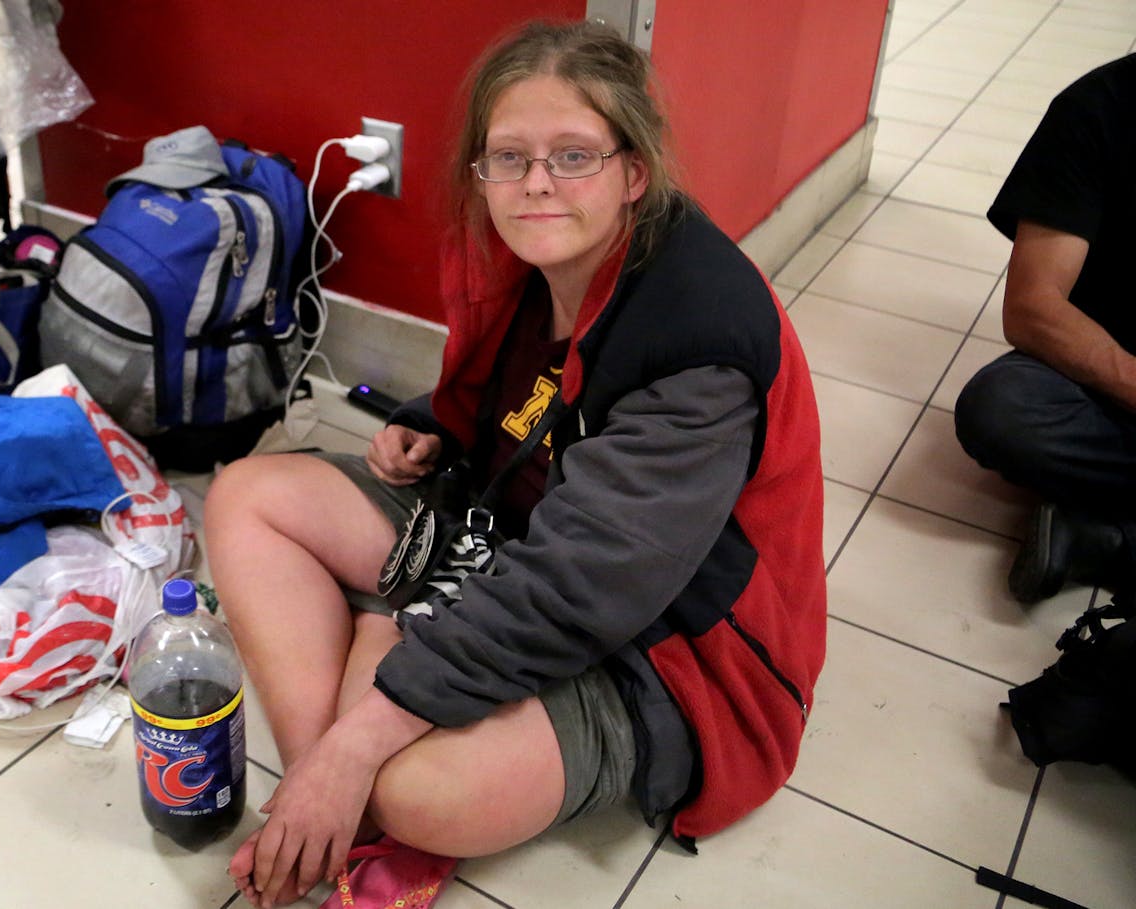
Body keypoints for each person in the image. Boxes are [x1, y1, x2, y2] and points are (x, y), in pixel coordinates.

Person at [203, 19, 827, 909]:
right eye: (509, 157)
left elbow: (586, 584)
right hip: (500, 527)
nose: (536, 183)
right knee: (247, 493)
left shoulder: (700, 337)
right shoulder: (533, 254)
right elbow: (537, 395)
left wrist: (365, 740)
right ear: (481, 170)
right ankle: (331, 793)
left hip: (653, 637)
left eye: (573, 155)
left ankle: (363, 759)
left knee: (421, 790)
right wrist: (436, 424)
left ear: (633, 172)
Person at [953, 53, 1136, 604]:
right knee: (1001, 410)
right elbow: (1032, 307)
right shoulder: (1097, 109)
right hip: (1109, 373)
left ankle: (1107, 545)